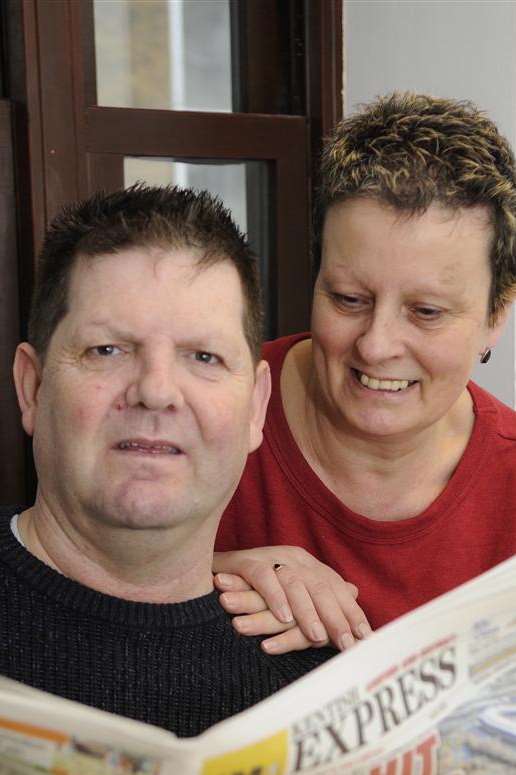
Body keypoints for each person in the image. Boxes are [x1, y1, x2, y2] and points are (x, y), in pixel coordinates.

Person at [0, 184, 335, 737]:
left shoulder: (312, 691)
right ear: (32, 387)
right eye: (107, 350)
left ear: (255, 407)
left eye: (203, 357)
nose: (156, 392)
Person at [214, 92, 516, 654]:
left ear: (496, 315)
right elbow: (68, 569)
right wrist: (216, 572)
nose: (376, 347)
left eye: (426, 312)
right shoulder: (213, 407)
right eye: (349, 298)